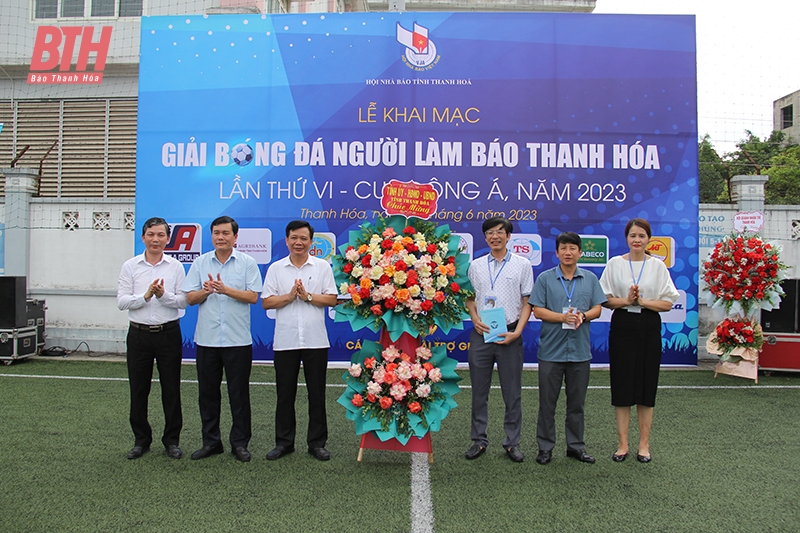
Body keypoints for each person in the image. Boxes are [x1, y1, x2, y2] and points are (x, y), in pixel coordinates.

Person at [599, 218, 679, 463]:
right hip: (622, 324)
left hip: (648, 325)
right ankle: (622, 444)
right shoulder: (614, 264)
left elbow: (667, 303)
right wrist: (627, 301)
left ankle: (644, 444)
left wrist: (642, 302)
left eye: (642, 236)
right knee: (622, 384)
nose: (637, 240)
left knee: (646, 384)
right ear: (627, 238)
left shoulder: (657, 267)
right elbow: (604, 300)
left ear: (648, 239)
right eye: (633, 235)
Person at [183, 216, 262, 462]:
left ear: (235, 237)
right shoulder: (200, 262)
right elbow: (190, 298)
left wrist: (225, 289)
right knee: (208, 394)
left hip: (238, 341)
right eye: (216, 233)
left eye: (226, 233)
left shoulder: (247, 262)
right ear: (212, 236)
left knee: (238, 394)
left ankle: (239, 443)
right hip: (207, 339)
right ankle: (211, 442)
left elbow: (252, 297)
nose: (221, 237)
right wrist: (206, 291)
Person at [262, 220, 338, 461]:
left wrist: (307, 296)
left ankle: (317, 443)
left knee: (317, 394)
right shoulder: (276, 268)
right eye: (294, 238)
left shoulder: (322, 267)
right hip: (286, 340)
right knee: (285, 395)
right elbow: (266, 302)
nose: (298, 242)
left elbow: (332, 299)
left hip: (315, 340)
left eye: (303, 238)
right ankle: (284, 443)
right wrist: (289, 296)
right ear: (286, 240)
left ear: (311, 242)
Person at [530, 232, 606, 465]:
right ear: (557, 252)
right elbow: (537, 311)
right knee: (547, 403)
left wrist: (583, 315)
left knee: (577, 404)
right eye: (563, 248)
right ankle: (545, 447)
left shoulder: (591, 279)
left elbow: (598, 309)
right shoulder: (545, 278)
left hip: (580, 352)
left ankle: (575, 446)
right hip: (551, 351)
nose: (568, 252)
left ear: (580, 252)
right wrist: (561, 316)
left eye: (573, 248)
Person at [117, 217, 188, 460]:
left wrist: (163, 295)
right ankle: (141, 440)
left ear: (168, 239)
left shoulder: (176, 267)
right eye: (151, 235)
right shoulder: (131, 266)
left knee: (171, 389)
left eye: (160, 235)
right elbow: (122, 302)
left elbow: (182, 302)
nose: (155, 239)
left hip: (168, 333)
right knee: (138, 389)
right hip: (138, 335)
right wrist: (146, 296)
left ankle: (172, 441)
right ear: (143, 237)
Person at [464, 217, 533, 463]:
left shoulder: (523, 265)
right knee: (478, 392)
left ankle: (512, 442)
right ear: (485, 237)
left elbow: (528, 303)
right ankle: (479, 440)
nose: (495, 236)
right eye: (490, 232)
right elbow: (469, 298)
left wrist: (518, 332)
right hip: (482, 334)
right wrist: (474, 317)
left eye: (500, 232)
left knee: (512, 392)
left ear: (508, 236)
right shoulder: (475, 266)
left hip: (510, 334)